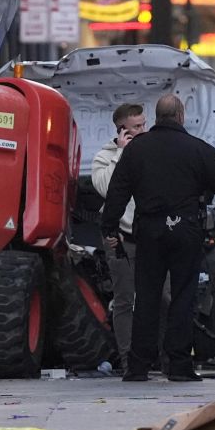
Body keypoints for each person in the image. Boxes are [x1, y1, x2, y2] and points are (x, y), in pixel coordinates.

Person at [101, 94, 215, 382]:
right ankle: (178, 365)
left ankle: (138, 366)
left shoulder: (136, 151)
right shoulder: (197, 148)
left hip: (149, 231)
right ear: (181, 116)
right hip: (185, 229)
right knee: (183, 297)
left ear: (157, 117)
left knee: (146, 297)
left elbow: (117, 192)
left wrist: (109, 228)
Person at [91, 103, 148, 372]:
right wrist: (122, 154)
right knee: (125, 299)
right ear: (122, 130)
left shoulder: (150, 152)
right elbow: (106, 188)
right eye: (137, 127)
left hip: (148, 237)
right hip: (120, 238)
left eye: (143, 124)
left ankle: (156, 355)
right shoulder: (105, 156)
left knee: (163, 296)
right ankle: (127, 360)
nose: (143, 130)